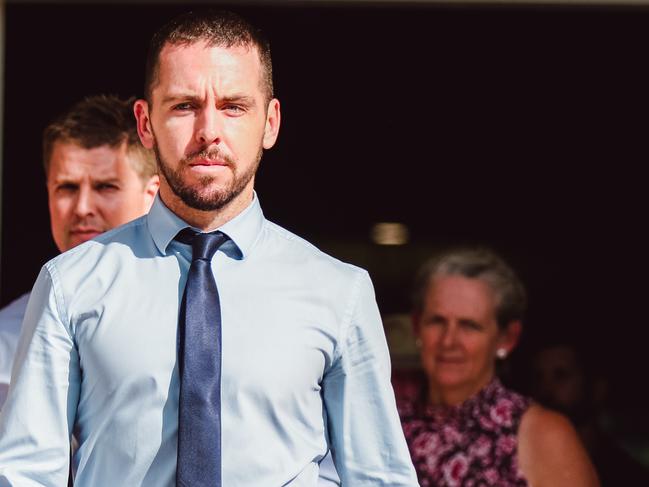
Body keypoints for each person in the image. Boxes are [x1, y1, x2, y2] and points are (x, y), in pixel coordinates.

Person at [0, 10, 417, 486]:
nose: (208, 132)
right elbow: (25, 476)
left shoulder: (339, 292)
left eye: (234, 106)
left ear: (270, 122)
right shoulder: (69, 285)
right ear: (145, 122)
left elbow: (380, 478)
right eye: (183, 106)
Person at [0, 94, 159, 408]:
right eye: (67, 188)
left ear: (151, 195)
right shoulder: (6, 339)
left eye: (105, 187)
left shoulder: (193, 317)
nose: (83, 208)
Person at [399, 247, 599, 487]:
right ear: (416, 326)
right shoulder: (388, 421)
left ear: (507, 338)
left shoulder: (542, 434)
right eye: (437, 321)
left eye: (469, 325)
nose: (448, 341)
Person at [531, 339, 649, 486]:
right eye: (538, 377)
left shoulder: (627, 476)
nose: (545, 391)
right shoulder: (524, 466)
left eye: (560, 375)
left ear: (597, 389)